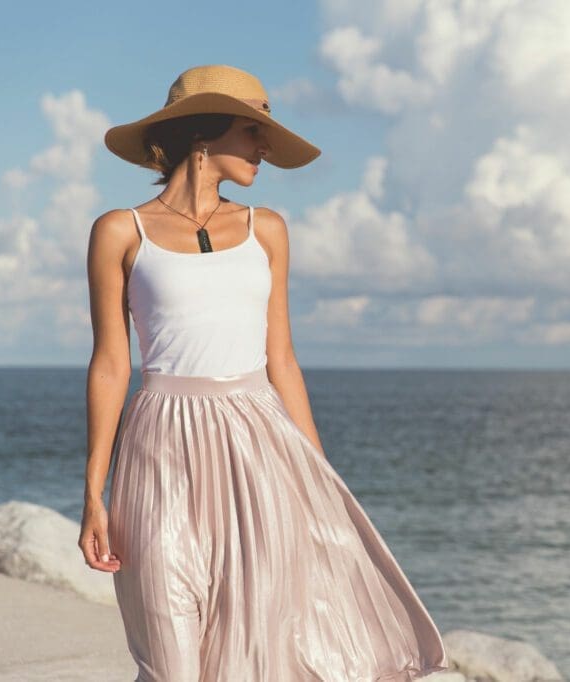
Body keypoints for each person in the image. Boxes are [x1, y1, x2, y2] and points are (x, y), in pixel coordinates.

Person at [78, 64, 449, 681]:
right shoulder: (120, 230)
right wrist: (94, 494)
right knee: (168, 650)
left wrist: (319, 478)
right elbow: (112, 363)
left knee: (257, 648)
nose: (265, 148)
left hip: (261, 447)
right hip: (159, 444)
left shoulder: (266, 230)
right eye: (255, 131)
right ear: (204, 135)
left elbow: (283, 361)